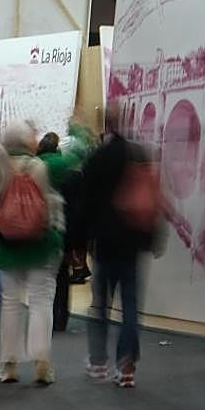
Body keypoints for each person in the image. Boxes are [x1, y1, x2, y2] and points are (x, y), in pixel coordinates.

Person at [0, 122, 65, 386]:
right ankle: (42, 361)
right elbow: (48, 204)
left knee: (10, 303)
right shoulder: (38, 167)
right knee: (41, 300)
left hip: (6, 246)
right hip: (39, 245)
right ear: (27, 141)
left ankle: (8, 364)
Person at [80, 119, 153, 388]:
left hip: (105, 242)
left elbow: (85, 201)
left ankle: (98, 362)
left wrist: (83, 239)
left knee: (101, 304)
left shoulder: (98, 157)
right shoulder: (138, 154)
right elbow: (151, 197)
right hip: (132, 242)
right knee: (130, 306)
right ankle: (126, 366)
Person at [38, 127, 93, 334]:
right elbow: (78, 209)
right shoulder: (69, 172)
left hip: (38, 230)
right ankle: (60, 317)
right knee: (61, 276)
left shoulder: (32, 167)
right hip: (62, 232)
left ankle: (43, 318)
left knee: (41, 279)